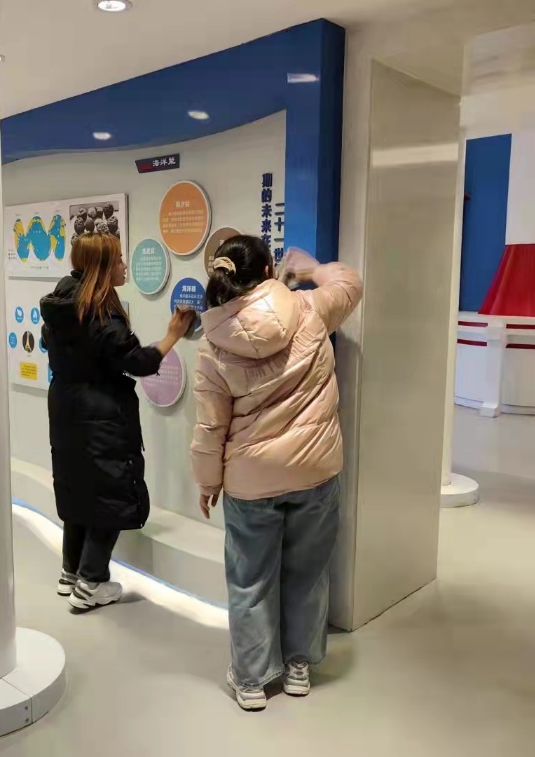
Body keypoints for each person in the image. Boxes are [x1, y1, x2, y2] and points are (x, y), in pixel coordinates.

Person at [190, 235, 362, 710]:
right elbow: (350, 283)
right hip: (316, 470)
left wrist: (207, 483)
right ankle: (299, 667)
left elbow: (210, 427)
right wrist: (311, 268)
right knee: (308, 573)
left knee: (251, 580)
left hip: (250, 482)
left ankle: (251, 681)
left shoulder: (212, 343)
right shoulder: (310, 309)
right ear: (269, 271)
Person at [41, 233, 195, 612]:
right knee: (109, 493)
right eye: (120, 260)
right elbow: (138, 362)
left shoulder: (62, 302)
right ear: (103, 267)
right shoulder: (99, 314)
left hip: (66, 408)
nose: (125, 266)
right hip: (101, 413)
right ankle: (91, 583)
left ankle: (71, 572)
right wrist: (173, 335)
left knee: (79, 488)